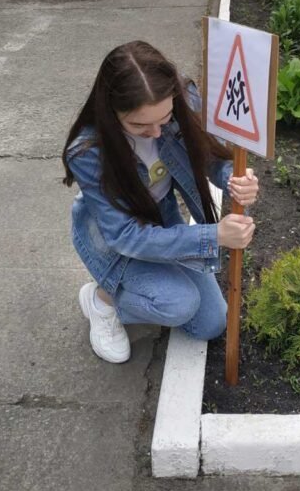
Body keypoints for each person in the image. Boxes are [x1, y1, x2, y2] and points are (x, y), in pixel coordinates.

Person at [62, 41, 259, 364]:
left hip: (162, 217)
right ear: (110, 111)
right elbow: (126, 236)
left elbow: (211, 155)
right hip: (111, 238)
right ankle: (103, 300)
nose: (155, 132)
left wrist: (236, 180)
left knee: (211, 324)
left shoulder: (183, 98)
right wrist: (213, 236)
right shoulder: (88, 152)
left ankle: (147, 286)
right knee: (178, 303)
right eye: (139, 125)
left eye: (165, 119)